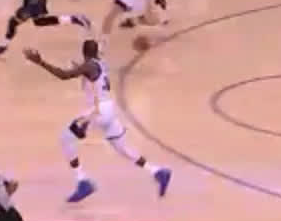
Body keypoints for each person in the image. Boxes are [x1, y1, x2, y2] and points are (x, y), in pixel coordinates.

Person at [23, 39, 172, 203]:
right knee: (122, 148)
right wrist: (79, 68)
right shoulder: (100, 64)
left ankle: (82, 181)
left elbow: (64, 75)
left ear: (83, 52)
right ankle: (158, 171)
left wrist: (41, 62)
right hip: (109, 110)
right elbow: (90, 75)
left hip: (97, 111)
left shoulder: (89, 66)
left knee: (66, 138)